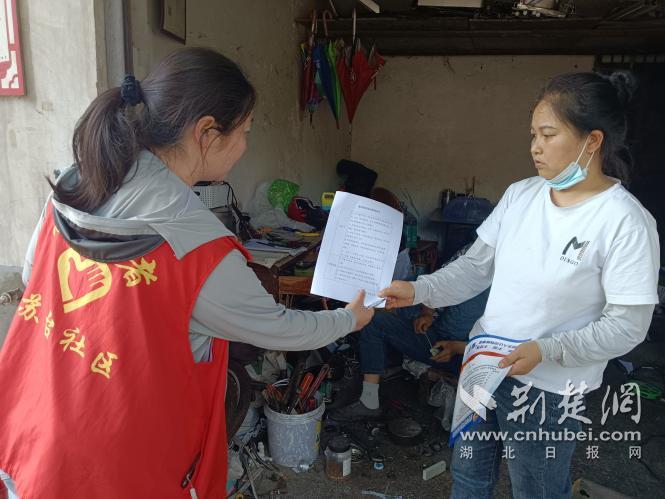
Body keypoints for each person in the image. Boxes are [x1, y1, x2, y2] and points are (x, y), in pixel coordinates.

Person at [0, 47, 374, 499]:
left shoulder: (75, 186)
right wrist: (349, 318)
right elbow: (280, 328)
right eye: (245, 132)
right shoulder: (199, 247)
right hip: (122, 464)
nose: (245, 146)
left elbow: (33, 276)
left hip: (34, 427)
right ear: (207, 133)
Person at [380, 72, 659, 499]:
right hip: (484, 365)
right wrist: (419, 290)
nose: (535, 147)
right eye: (533, 134)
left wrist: (546, 350)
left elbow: (627, 326)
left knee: (538, 490)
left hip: (548, 389)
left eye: (548, 134)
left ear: (592, 141)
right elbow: (475, 269)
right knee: (469, 479)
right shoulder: (521, 196)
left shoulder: (624, 221)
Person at [331, 244, 490, 422]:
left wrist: (457, 347)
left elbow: (506, 350)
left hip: (469, 355)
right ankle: (372, 393)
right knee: (379, 317)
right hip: (437, 338)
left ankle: (373, 396)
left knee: (376, 322)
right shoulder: (473, 250)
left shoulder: (511, 284)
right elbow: (441, 281)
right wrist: (427, 313)